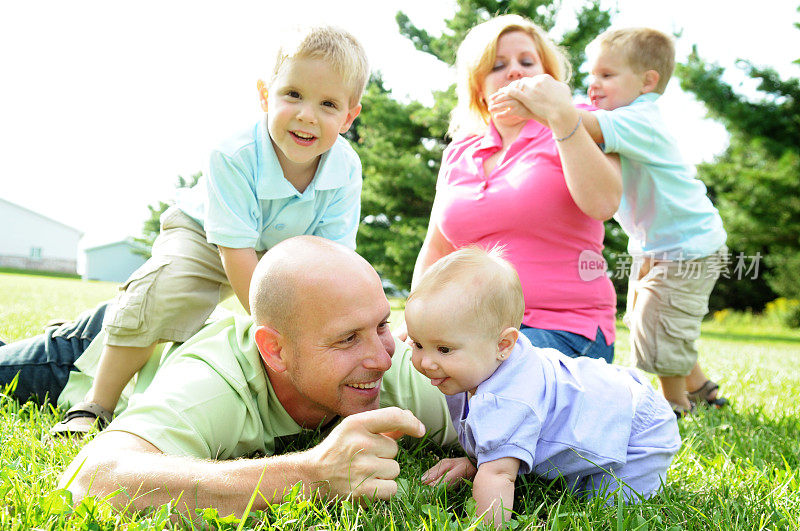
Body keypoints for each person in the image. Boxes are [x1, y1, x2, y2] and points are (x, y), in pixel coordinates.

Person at [52, 25, 369, 434]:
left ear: (349, 116)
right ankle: (96, 403)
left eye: (328, 104)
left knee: (308, 318)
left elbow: (331, 262)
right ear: (264, 95)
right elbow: (235, 253)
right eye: (293, 94)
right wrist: (277, 333)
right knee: (166, 292)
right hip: (205, 235)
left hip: (285, 254)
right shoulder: (233, 152)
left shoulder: (345, 169)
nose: (307, 114)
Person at [0, 236, 453, 516]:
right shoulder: (215, 379)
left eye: (380, 325)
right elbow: (92, 480)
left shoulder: (397, 365)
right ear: (274, 351)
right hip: (94, 349)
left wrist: (487, 450)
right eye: (348, 339)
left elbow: (514, 404)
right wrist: (310, 475)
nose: (381, 356)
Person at [501, 28, 728, 416]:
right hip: (660, 244)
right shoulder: (622, 118)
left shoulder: (639, 118)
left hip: (687, 245)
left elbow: (579, 124)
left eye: (606, 75)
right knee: (649, 315)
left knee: (658, 319)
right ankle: (700, 387)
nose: (593, 85)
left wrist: (541, 106)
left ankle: (674, 404)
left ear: (647, 81)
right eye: (591, 76)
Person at [404, 247, 681, 528]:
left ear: (503, 345)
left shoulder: (508, 398)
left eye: (444, 349)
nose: (426, 361)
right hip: (612, 401)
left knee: (604, 508)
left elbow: (499, 476)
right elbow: (489, 433)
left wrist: (483, 518)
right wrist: (477, 461)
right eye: (417, 344)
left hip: (638, 428)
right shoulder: (481, 365)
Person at [405, 14, 622, 363]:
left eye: (527, 62)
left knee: (494, 380)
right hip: (472, 334)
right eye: (498, 65)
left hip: (566, 328)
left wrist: (560, 115)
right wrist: (415, 330)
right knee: (400, 376)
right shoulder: (460, 150)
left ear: (547, 76)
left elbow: (605, 202)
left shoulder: (579, 120)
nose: (515, 71)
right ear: (479, 86)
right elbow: (437, 248)